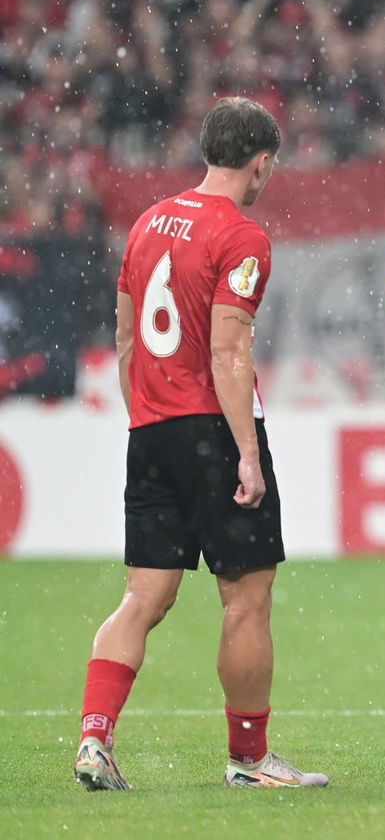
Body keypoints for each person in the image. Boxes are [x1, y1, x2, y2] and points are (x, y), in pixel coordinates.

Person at [75, 97, 328, 791]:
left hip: (150, 428)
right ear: (262, 161)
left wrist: (148, 421)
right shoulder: (242, 236)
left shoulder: (148, 224)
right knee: (245, 600)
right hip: (213, 429)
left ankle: (95, 739)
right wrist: (245, 452)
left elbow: (126, 340)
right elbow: (228, 350)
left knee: (142, 598)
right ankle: (249, 760)